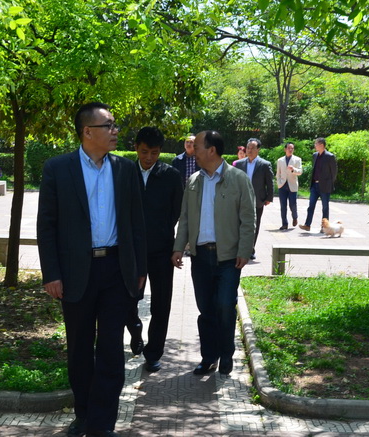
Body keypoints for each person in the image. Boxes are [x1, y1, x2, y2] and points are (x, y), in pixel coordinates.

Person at [37, 102, 147, 437]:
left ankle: (102, 425)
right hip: (75, 273)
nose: (115, 131)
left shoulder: (125, 169)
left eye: (114, 125)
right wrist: (51, 274)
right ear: (87, 132)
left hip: (116, 270)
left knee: (111, 350)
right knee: (80, 349)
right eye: (108, 125)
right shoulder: (58, 169)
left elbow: (137, 223)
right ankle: (83, 414)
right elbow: (47, 225)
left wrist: (139, 269)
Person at [171, 130, 255, 376]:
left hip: (228, 257)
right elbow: (185, 217)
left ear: (211, 150)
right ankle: (209, 357)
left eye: (197, 146)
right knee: (206, 309)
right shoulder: (194, 181)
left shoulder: (238, 179)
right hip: (200, 256)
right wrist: (179, 246)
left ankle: (226, 354)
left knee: (225, 306)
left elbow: (248, 218)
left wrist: (244, 250)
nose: (193, 150)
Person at [132, 126, 183, 373]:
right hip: (131, 251)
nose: (149, 157)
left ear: (160, 151)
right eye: (144, 152)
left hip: (162, 250)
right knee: (128, 300)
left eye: (154, 153)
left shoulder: (171, 175)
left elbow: (177, 210)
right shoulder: (125, 173)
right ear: (136, 148)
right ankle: (135, 330)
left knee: (161, 304)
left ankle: (153, 353)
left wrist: (163, 232)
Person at [234, 138, 273, 259]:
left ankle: (250, 249)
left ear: (258, 149)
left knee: (254, 225)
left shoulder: (264, 165)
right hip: (240, 200)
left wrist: (269, 197)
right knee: (238, 224)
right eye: (248, 148)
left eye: (252, 148)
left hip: (257, 200)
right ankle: (238, 248)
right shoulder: (239, 164)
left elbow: (270, 183)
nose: (249, 150)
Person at [299, 137, 337, 232]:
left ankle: (324, 227)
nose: (315, 146)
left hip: (325, 186)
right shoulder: (315, 155)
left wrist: (330, 183)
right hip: (314, 185)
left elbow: (334, 172)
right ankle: (307, 225)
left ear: (322, 145)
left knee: (325, 207)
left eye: (316, 144)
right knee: (311, 206)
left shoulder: (330, 156)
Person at [276, 142, 303, 230]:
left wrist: (293, 169)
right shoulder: (280, 160)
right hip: (282, 185)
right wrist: (279, 182)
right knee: (283, 206)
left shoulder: (297, 159)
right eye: (288, 148)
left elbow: (300, 172)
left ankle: (295, 217)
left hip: (292, 185)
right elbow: (278, 173)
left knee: (293, 204)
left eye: (292, 148)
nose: (290, 150)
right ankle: (284, 224)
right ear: (285, 149)